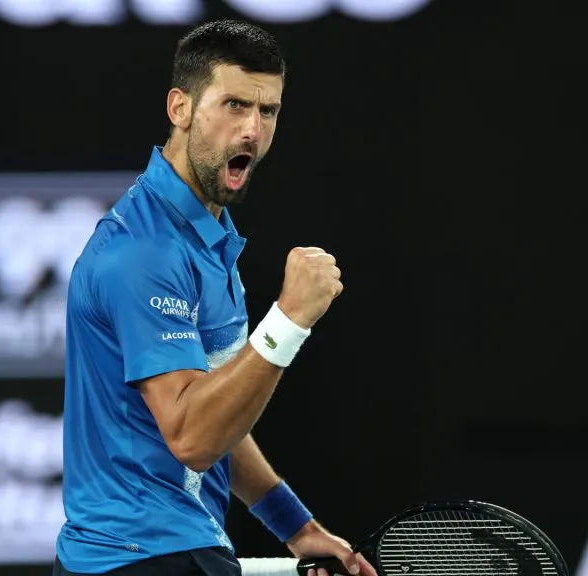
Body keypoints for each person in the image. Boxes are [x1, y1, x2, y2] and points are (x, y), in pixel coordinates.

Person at [54, 19, 377, 576]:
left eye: (267, 111)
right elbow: (193, 435)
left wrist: (296, 527)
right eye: (233, 105)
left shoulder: (203, 239)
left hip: (172, 550)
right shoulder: (144, 253)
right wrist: (289, 320)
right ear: (179, 108)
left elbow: (218, 415)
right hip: (139, 559)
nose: (252, 129)